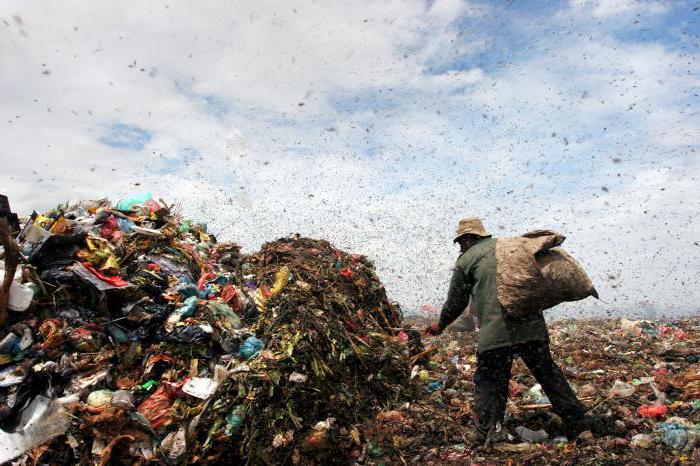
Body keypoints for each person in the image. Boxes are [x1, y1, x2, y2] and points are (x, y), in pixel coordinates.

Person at [426, 217, 591, 446]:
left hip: (496, 332)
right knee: (549, 375)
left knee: (489, 380)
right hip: (531, 327)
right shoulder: (509, 247)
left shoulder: (467, 259)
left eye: (460, 242)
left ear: (467, 239)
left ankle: (486, 432)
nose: (460, 247)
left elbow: (456, 302)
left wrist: (440, 325)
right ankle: (580, 426)